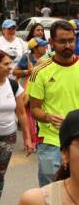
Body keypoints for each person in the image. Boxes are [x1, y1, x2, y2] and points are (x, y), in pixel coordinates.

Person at [27, 20, 79, 187]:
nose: (68, 45)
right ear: (51, 43)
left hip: (77, 140)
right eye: (62, 41)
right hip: (50, 143)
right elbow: (34, 109)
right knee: (50, 191)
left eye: (71, 40)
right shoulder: (40, 72)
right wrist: (48, 117)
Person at [0, 49, 33, 204]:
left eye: (10, 63)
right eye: (5, 64)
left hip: (9, 135)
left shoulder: (13, 85)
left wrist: (27, 138)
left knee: (1, 174)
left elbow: (21, 113)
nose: (10, 67)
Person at [19, 109, 79, 204]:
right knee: (47, 178)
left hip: (70, 133)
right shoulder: (32, 200)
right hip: (48, 144)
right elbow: (34, 109)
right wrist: (47, 117)